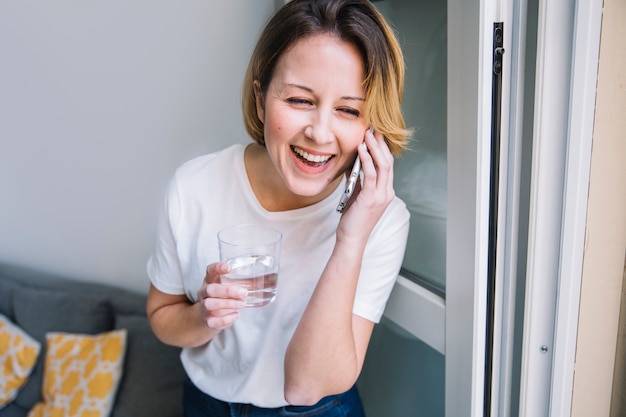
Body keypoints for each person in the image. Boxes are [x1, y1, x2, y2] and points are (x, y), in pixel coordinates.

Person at [146, 0, 411, 415]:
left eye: (348, 110)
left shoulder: (384, 219)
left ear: (372, 126)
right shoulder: (194, 187)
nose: (320, 133)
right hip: (207, 403)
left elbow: (307, 387)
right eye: (300, 101)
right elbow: (162, 315)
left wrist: (351, 237)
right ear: (260, 99)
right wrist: (204, 316)